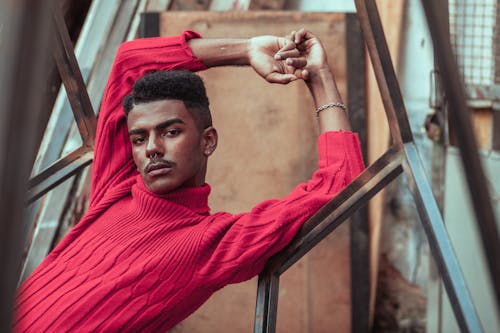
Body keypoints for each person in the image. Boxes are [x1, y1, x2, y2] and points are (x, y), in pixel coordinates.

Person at [14, 29, 364, 332]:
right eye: (139, 138)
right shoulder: (117, 188)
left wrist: (318, 75)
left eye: (170, 131)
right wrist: (247, 50)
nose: (152, 148)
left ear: (208, 140)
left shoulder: (209, 245)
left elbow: (337, 184)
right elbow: (130, 61)